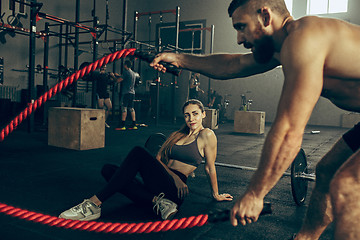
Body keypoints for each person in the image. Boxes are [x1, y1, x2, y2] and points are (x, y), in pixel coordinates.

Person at [150, 0, 360, 239]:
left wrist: (255, 193)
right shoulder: (282, 46)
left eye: (241, 26)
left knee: (348, 186)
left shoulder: (304, 40)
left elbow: (289, 130)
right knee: (327, 171)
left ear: (265, 16)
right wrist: (181, 59)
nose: (239, 39)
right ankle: (306, 237)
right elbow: (233, 64)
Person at [59, 99, 233, 221]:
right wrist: (172, 176)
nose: (191, 118)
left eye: (195, 114)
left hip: (175, 190)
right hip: (161, 183)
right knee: (108, 170)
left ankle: (93, 205)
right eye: (187, 115)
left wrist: (215, 194)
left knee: (137, 152)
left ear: (203, 114)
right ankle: (158, 202)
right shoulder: (177, 135)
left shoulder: (207, 135)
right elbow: (158, 159)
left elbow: (210, 168)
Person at [91, 64, 120, 128]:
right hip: (99, 93)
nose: (104, 67)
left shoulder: (107, 75)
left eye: (105, 66)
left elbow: (115, 81)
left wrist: (113, 76)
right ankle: (98, 122)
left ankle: (104, 121)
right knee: (100, 108)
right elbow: (92, 76)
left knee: (109, 107)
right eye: (103, 66)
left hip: (105, 93)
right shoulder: (97, 74)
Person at [115, 60, 139, 130]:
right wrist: (119, 76)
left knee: (124, 108)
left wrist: (113, 76)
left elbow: (118, 80)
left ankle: (122, 125)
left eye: (124, 64)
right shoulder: (133, 73)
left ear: (126, 65)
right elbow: (126, 78)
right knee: (131, 108)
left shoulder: (125, 72)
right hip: (132, 93)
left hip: (126, 93)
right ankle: (134, 124)